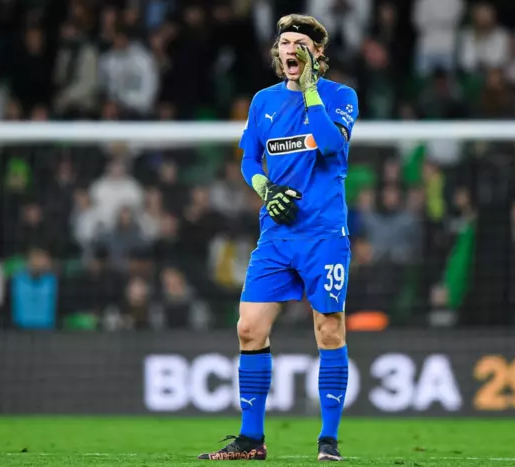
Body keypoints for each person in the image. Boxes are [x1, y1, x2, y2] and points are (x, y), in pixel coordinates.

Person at [198, 14, 358, 462]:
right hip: (276, 235)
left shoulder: (340, 96)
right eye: (285, 42)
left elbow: (330, 144)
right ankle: (251, 440)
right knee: (248, 328)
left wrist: (309, 90)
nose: (291, 48)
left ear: (317, 53)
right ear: (277, 52)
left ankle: (328, 440)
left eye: (301, 43)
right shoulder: (262, 101)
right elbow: (249, 159)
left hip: (324, 234)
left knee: (329, 329)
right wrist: (264, 189)